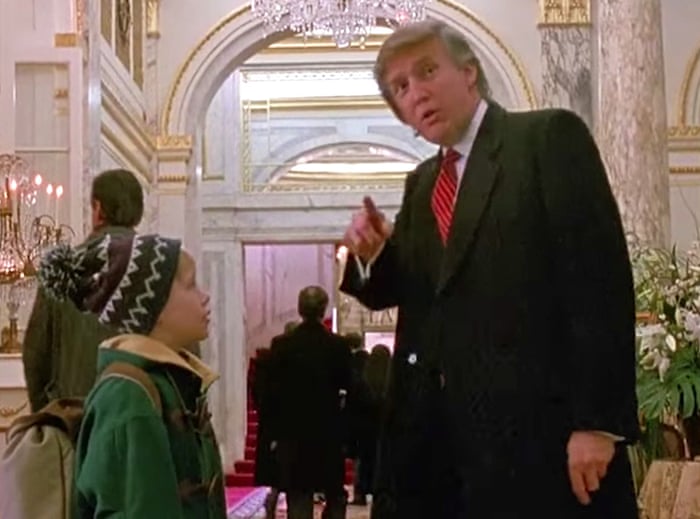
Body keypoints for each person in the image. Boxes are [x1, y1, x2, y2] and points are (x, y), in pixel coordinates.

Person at [340, 19, 639, 518]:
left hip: (539, 445)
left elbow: (599, 286)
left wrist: (597, 424)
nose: (417, 92)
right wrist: (372, 254)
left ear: (469, 72)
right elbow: (418, 290)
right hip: (439, 456)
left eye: (427, 71)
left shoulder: (545, 139)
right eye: (401, 87)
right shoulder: (422, 184)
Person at [37, 232, 226, 518]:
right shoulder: (129, 398)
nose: (205, 297)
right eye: (190, 285)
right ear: (155, 305)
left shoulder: (169, 381)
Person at [23, 168, 144, 411]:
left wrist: (47, 411)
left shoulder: (62, 267)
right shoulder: (157, 266)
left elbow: (36, 354)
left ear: (98, 209)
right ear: (139, 212)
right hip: (140, 416)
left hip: (74, 415)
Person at [268, 286, 352, 519]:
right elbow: (349, 387)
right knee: (334, 493)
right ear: (324, 310)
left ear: (299, 309)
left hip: (293, 434)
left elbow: (271, 393)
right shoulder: (338, 346)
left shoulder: (282, 345)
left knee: (298, 496)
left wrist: (274, 433)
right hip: (328, 433)